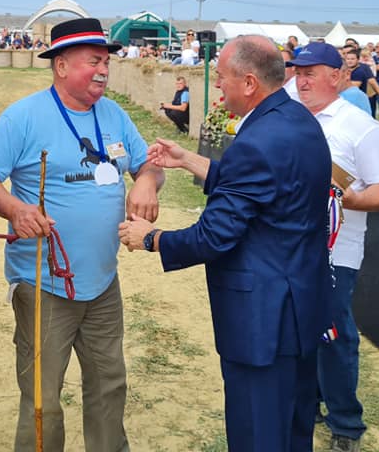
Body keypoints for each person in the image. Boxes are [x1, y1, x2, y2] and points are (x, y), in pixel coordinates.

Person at [120, 35, 331, 452]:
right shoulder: (296, 120)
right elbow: (262, 188)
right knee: (292, 431)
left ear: (249, 83)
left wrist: (152, 239)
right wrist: (187, 160)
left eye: (222, 78)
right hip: (298, 312)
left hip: (263, 324)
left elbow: (214, 236)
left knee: (258, 434)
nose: (218, 86)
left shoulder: (257, 142)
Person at [0, 17, 165, 452]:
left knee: (109, 384)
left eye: (106, 63)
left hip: (102, 283)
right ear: (60, 65)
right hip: (44, 286)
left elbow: (146, 163)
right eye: (93, 61)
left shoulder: (113, 114)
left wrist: (148, 182)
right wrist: (16, 209)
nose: (103, 71)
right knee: (43, 398)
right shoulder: (23, 117)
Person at [290, 42, 379, 452]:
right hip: (290, 245)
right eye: (297, 72)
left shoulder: (361, 126)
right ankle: (309, 404)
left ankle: (346, 424)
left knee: (334, 335)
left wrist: (344, 199)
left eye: (311, 72)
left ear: (336, 76)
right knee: (299, 330)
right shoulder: (291, 118)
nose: (301, 80)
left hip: (337, 251)